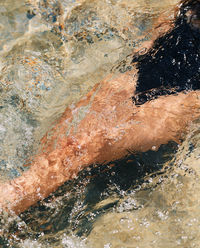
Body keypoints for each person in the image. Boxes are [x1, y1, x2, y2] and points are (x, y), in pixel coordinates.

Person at [1, 0, 200, 214]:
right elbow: (166, 22)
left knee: (87, 146)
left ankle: (13, 199)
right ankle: (21, 202)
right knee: (67, 146)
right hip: (152, 65)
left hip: (186, 97)